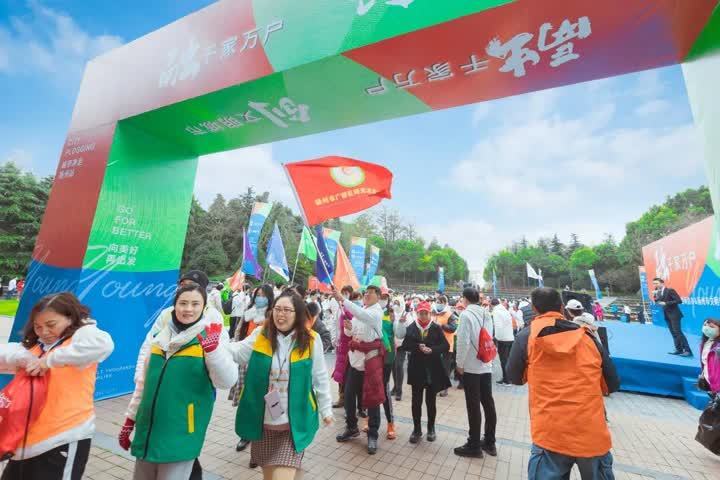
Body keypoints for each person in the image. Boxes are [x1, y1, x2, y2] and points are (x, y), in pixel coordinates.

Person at [120, 284, 237, 480]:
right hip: (148, 432)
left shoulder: (209, 338)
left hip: (182, 433)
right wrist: (130, 419)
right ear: (174, 305)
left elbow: (227, 381)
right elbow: (143, 384)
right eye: (183, 303)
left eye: (195, 304)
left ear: (204, 307)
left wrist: (213, 352)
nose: (188, 309)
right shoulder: (159, 338)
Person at [506, 288, 620, 480]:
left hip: (550, 432)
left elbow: (514, 378)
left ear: (534, 309)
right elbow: (612, 384)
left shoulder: (527, 337)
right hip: (590, 432)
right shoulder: (588, 337)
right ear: (561, 307)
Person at [0, 292, 114, 479]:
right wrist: (22, 358)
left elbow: (103, 345)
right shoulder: (36, 345)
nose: (44, 332)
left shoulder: (82, 337)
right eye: (38, 326)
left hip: (61, 440)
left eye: (51, 325)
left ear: (70, 318)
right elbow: (8, 353)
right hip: (23, 445)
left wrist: (48, 362)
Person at [227, 293, 333, 480]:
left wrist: (326, 410)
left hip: (293, 424)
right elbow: (238, 352)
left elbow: (320, 376)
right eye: (277, 309)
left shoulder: (311, 339)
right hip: (263, 421)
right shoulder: (261, 334)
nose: (280, 314)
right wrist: (214, 346)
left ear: (298, 314)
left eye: (286, 310)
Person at [334, 285, 385, 455]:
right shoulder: (361, 311)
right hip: (354, 362)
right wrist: (348, 327)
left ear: (378, 297)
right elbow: (351, 334)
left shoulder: (376, 313)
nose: (367, 295)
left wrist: (343, 299)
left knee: (372, 400)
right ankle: (351, 427)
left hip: (370, 362)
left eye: (371, 293)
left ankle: (373, 434)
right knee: (349, 397)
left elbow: (362, 315)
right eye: (366, 293)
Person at [230, 284, 275, 453]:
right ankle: (246, 434)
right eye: (257, 295)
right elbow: (238, 334)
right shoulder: (248, 314)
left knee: (267, 400)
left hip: (264, 364)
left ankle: (269, 435)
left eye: (263, 295)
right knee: (246, 399)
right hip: (245, 361)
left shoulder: (272, 316)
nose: (260, 298)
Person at [399, 301, 451, 443]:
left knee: (430, 402)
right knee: (416, 402)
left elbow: (445, 346)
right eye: (420, 313)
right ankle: (417, 430)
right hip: (416, 369)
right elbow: (405, 345)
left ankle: (431, 429)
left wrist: (432, 350)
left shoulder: (436, 328)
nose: (423, 316)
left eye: (425, 313)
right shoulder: (411, 327)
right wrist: (418, 347)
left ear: (430, 313)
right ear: (417, 313)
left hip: (432, 370)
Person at [454, 288, 497, 458]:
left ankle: (474, 445)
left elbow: (463, 341)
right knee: (488, 403)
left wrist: (459, 364)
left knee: (473, 405)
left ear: (464, 299)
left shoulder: (466, 315)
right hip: (486, 363)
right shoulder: (486, 313)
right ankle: (490, 442)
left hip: (472, 366)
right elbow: (489, 336)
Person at [653, 278, 692, 357]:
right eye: (654, 283)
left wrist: (666, 303)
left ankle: (687, 350)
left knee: (678, 332)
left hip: (675, 314)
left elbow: (679, 301)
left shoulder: (670, 290)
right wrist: (655, 295)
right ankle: (679, 350)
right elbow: (657, 301)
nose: (655, 285)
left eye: (656, 283)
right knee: (673, 333)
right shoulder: (658, 292)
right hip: (667, 315)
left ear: (662, 283)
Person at [331, 286, 355, 409]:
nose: (344, 295)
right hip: (340, 345)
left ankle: (349, 400)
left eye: (347, 293)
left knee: (347, 373)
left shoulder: (352, 308)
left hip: (349, 346)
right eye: (343, 292)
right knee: (340, 372)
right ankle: (341, 397)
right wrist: (334, 339)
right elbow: (334, 325)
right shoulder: (338, 308)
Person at [433, 295, 457, 397]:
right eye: (437, 302)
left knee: (444, 368)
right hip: (435, 345)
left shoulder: (450, 314)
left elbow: (453, 328)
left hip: (446, 345)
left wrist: (442, 326)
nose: (438, 304)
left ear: (445, 303)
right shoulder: (433, 312)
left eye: (440, 302)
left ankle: (444, 389)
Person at [391, 298, 415, 401]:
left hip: (402, 345)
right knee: (393, 366)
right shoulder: (391, 313)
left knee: (398, 366)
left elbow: (411, 329)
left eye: (397, 303)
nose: (395, 305)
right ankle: (395, 387)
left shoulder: (407, 315)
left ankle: (399, 391)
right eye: (394, 303)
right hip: (392, 343)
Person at [491, 298, 514, 386]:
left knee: (503, 360)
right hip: (510, 337)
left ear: (492, 305)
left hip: (502, 339)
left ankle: (507, 380)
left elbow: (498, 326)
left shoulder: (496, 312)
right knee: (508, 359)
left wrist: (496, 338)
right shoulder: (505, 310)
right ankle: (508, 378)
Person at [698, 318, 720, 395]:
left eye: (711, 327)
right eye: (705, 325)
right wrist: (703, 374)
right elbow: (705, 362)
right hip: (710, 381)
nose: (707, 328)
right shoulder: (704, 344)